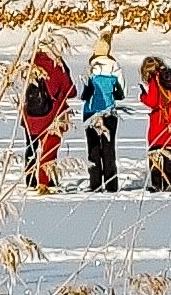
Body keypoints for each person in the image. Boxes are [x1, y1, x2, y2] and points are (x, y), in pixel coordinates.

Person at [21, 38, 75, 188]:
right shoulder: (56, 66)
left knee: (31, 147)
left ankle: (30, 181)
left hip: (30, 116)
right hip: (51, 116)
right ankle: (46, 182)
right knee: (49, 149)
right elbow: (70, 90)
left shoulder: (30, 64)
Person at [141, 51, 171, 192]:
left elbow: (153, 101)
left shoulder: (155, 80)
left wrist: (143, 96)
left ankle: (158, 184)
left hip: (160, 123)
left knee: (157, 155)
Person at [81, 45, 125, 189]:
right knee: (108, 148)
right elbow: (122, 93)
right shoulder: (115, 68)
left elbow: (84, 94)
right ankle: (111, 184)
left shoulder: (90, 68)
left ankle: (95, 183)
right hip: (109, 112)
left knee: (93, 148)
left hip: (91, 112)